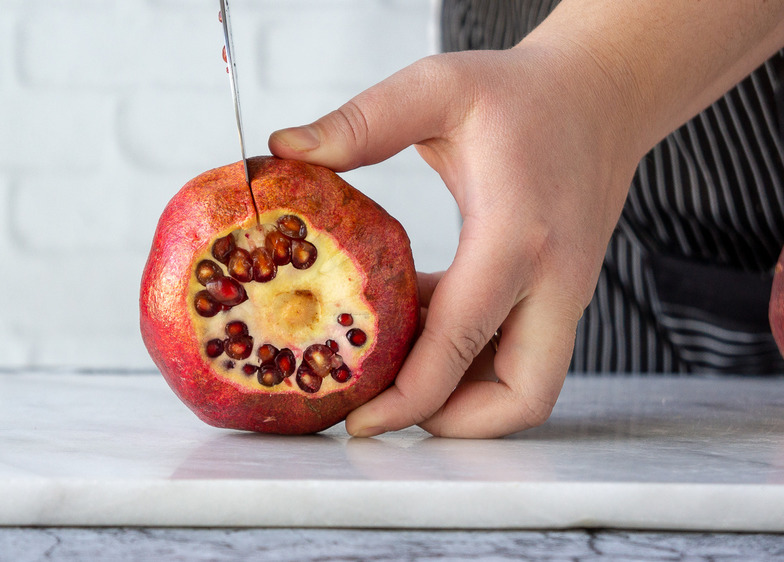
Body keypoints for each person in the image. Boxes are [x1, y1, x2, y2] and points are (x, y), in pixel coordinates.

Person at [268, 0, 784, 438]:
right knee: (587, 459)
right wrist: (569, 87)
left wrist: (591, 76)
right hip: (525, 82)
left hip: (735, 132)